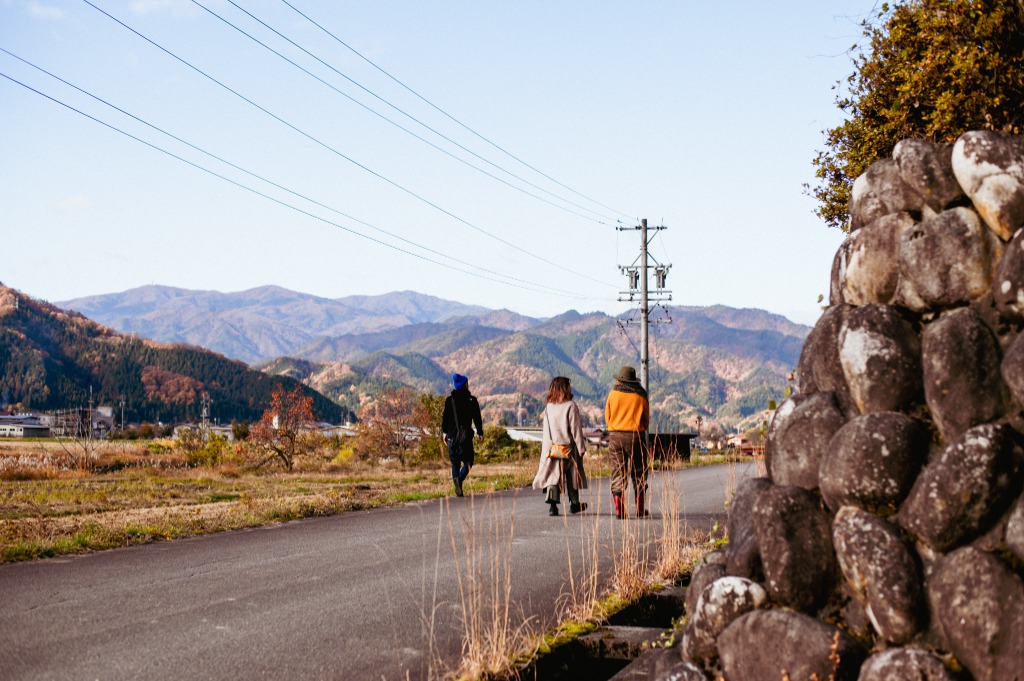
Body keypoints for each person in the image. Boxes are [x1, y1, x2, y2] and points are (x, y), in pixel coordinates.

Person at [532, 376, 589, 516]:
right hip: (569, 448)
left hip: (553, 449)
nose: (571, 388)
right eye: (569, 385)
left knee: (553, 476)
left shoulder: (548, 407)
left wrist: (547, 450)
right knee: (572, 476)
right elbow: (576, 430)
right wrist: (582, 448)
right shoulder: (571, 406)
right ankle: (574, 504)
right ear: (564, 388)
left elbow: (546, 431)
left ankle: (553, 507)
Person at [604, 366, 650, 519]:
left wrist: (615, 428)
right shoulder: (641, 395)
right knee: (639, 471)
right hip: (636, 436)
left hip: (616, 436)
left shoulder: (613, 394)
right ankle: (640, 508)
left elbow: (607, 418)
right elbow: (646, 421)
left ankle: (619, 510)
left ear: (620, 379)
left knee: (618, 471)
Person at [441, 373, 483, 497]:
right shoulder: (471, 400)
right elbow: (477, 418)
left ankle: (457, 487)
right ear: (465, 385)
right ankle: (459, 480)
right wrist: (480, 432)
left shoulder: (450, 400)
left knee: (455, 463)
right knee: (469, 461)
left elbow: (445, 419)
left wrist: (445, 433)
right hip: (465, 438)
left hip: (452, 437)